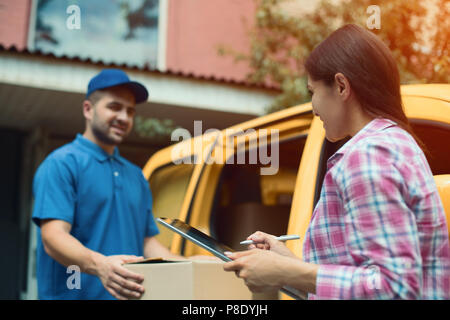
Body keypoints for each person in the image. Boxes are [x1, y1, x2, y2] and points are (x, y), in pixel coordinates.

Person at [223, 24, 450, 299]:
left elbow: (394, 288)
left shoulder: (368, 155)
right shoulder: (395, 143)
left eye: (312, 92)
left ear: (341, 86)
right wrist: (286, 263)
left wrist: (285, 272)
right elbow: (364, 275)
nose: (313, 107)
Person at [32, 69, 188, 300]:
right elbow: (53, 238)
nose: (124, 118)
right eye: (114, 107)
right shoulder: (62, 164)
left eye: (130, 111)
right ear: (88, 109)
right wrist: (101, 266)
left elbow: (147, 244)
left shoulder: (136, 176)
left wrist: (195, 264)